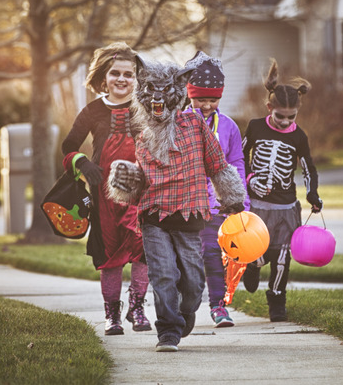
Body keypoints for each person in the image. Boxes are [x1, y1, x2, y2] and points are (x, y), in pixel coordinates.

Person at [106, 54, 247, 352]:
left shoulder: (195, 124)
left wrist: (233, 199)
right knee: (164, 274)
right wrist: (126, 181)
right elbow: (141, 180)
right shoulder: (143, 134)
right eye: (151, 97)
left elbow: (217, 164)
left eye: (164, 96)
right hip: (154, 217)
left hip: (190, 215)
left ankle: (185, 313)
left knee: (194, 283)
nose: (157, 103)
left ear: (177, 94)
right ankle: (168, 331)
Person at [61, 42, 151, 336]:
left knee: (142, 251)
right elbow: (68, 146)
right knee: (109, 254)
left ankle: (137, 307)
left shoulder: (146, 107)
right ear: (104, 77)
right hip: (103, 195)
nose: (122, 79)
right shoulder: (93, 111)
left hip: (141, 191)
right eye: (115, 73)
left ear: (137, 78)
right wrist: (83, 163)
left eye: (129, 74)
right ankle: (111, 314)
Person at [241, 59, 323, 322]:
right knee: (258, 251)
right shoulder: (255, 127)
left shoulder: (298, 136)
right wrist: (250, 179)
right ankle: (252, 266)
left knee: (282, 256)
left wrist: (313, 194)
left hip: (286, 207)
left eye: (292, 117)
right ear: (269, 108)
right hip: (257, 206)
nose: (285, 122)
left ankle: (277, 299)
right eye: (280, 116)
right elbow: (239, 158)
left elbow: (308, 167)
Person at [183, 51, 249, 328]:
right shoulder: (178, 122)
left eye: (213, 99)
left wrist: (240, 202)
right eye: (200, 99)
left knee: (212, 255)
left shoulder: (229, 127)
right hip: (183, 205)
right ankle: (183, 307)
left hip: (215, 206)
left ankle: (218, 306)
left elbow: (236, 164)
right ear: (189, 95)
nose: (207, 105)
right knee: (185, 260)